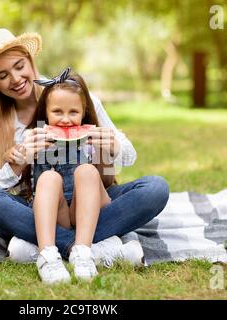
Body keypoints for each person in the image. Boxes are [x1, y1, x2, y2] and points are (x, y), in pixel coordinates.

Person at [0, 29, 170, 283]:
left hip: (94, 198)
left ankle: (42, 248)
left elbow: (129, 157)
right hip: (42, 204)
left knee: (155, 188)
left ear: (30, 61)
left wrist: (114, 145)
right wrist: (16, 166)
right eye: (2, 75)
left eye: (20, 66)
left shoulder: (75, 96)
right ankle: (91, 250)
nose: (16, 78)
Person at [14, 67, 143, 282]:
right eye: (57, 112)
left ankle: (81, 251)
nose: (65, 120)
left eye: (73, 112)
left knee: (87, 171)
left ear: (84, 112)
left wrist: (111, 148)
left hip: (90, 207)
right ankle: (52, 255)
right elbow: (18, 177)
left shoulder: (94, 136)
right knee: (48, 177)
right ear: (45, 112)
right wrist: (22, 154)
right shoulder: (34, 137)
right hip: (59, 214)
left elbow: (112, 175)